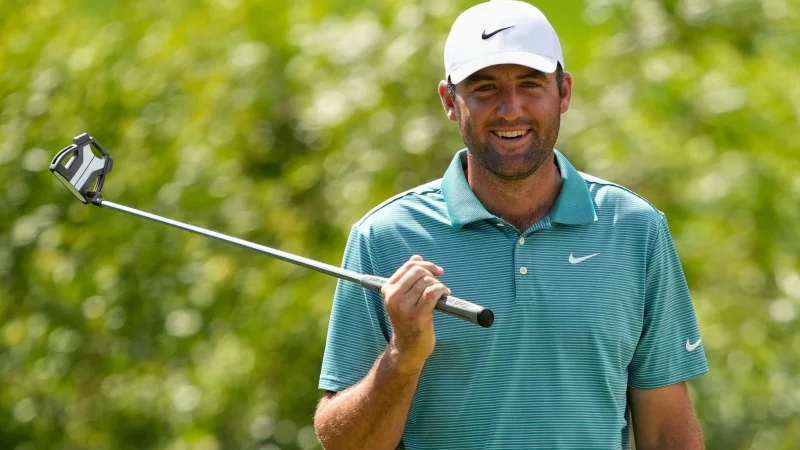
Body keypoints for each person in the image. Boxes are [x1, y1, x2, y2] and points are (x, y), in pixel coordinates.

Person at [313, 1, 709, 449]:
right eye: (484, 88)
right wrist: (403, 356)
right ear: (449, 101)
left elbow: (665, 431)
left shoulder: (635, 229)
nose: (510, 109)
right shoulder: (383, 238)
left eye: (530, 84)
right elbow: (344, 445)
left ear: (564, 92)